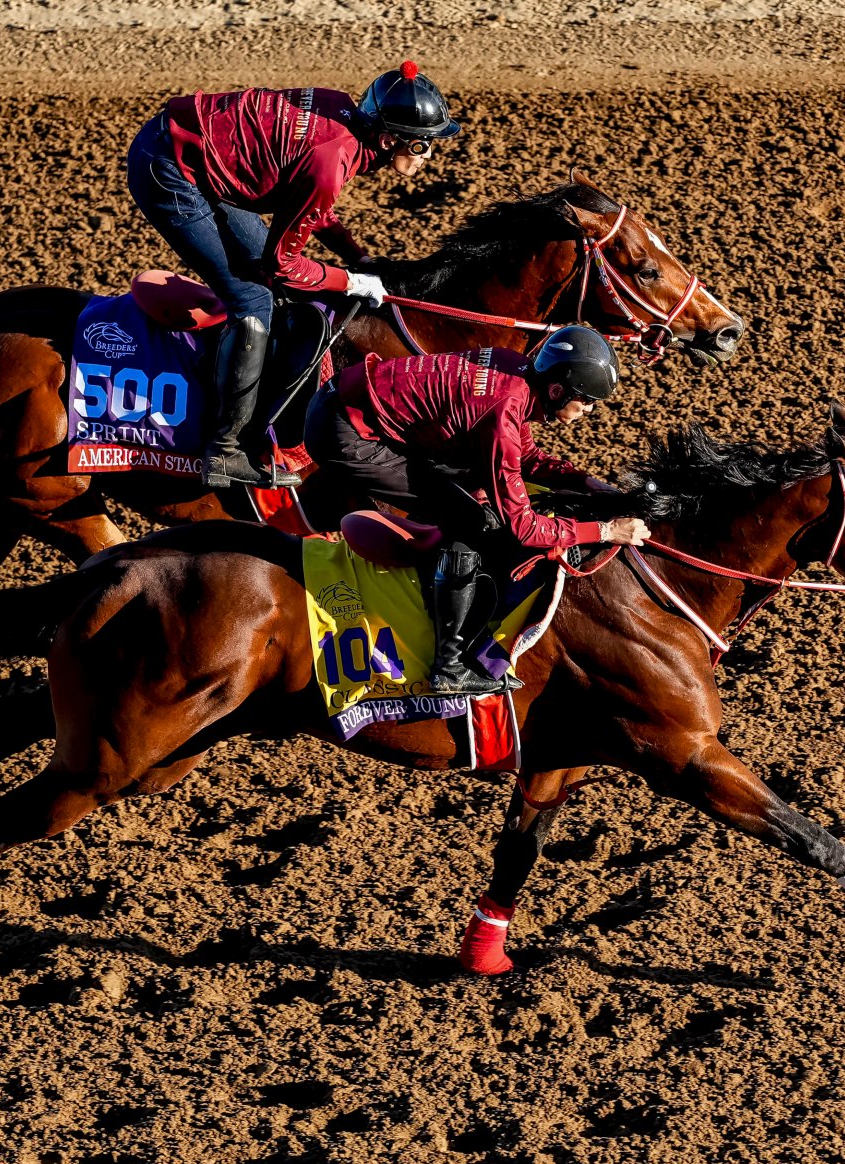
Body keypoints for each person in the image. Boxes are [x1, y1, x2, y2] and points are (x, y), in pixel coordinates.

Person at [125, 62, 460, 490]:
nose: (428, 156)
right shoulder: (331, 160)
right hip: (168, 169)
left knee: (268, 277)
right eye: (422, 146)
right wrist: (351, 281)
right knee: (254, 299)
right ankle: (224, 450)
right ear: (388, 138)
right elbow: (282, 264)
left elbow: (305, 193)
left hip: (198, 153)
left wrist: (357, 256)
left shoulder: (342, 111)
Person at [304, 327, 652, 696]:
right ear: (556, 391)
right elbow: (524, 529)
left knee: (473, 491)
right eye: (586, 402)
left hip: (354, 403)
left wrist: (583, 481)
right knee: (471, 520)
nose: (588, 411)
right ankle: (449, 667)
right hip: (343, 434)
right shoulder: (502, 410)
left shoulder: (516, 368)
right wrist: (605, 531)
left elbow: (526, 455)